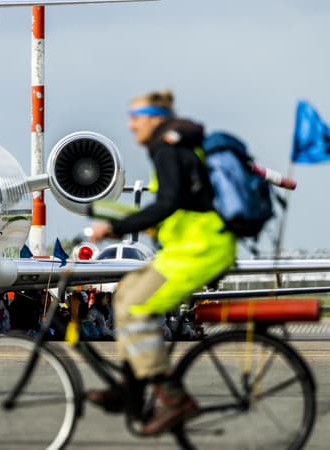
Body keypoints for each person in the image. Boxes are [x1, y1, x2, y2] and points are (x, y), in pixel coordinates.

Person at [86, 90, 237, 435]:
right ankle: (131, 390)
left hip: (200, 250)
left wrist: (116, 227)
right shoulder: (178, 147)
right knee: (125, 298)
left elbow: (167, 203)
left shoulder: (166, 148)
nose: (130, 124)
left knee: (135, 307)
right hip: (188, 247)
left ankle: (172, 396)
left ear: (156, 118)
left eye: (136, 116)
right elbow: (179, 206)